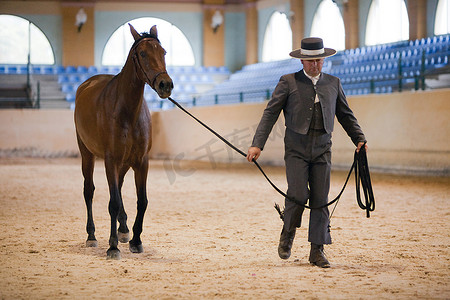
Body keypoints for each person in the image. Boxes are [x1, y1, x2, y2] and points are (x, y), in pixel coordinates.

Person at [246, 37, 367, 268]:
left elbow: (345, 115)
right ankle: (288, 230)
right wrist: (257, 144)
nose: (315, 65)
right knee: (299, 193)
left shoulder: (333, 83)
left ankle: (317, 250)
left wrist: (359, 138)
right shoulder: (288, 81)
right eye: (311, 61)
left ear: (323, 60)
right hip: (296, 149)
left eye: (319, 60)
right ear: (302, 61)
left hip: (323, 148)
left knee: (321, 199)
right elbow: (270, 113)